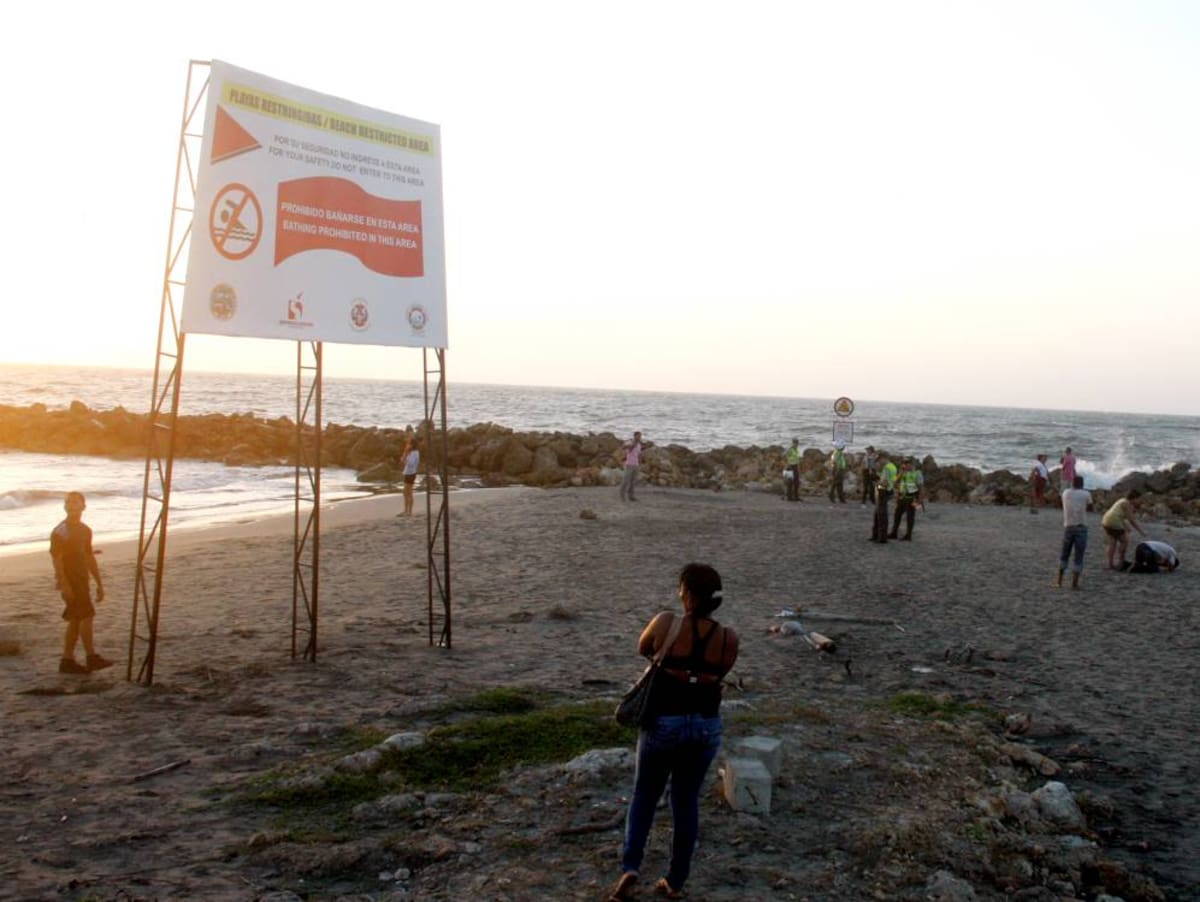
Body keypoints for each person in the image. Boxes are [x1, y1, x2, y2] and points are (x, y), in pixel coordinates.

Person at [608, 563, 740, 902]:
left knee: (644, 796)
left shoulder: (668, 622)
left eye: (682, 588)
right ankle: (676, 880)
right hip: (706, 726)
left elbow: (644, 648)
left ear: (690, 594)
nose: (679, 593)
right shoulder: (728, 638)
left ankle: (631, 868)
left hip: (664, 722)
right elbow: (720, 670)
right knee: (685, 802)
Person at [49, 492, 113, 674]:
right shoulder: (60, 531)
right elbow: (57, 561)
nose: (71, 505)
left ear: (83, 506)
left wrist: (99, 583)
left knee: (76, 620)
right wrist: (64, 585)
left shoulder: (85, 530)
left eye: (75, 502)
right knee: (87, 615)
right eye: (67, 502)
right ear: (64, 507)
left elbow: (89, 557)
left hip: (82, 579)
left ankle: (67, 660)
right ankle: (91, 657)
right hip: (70, 581)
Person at [1055, 475, 1092, 589]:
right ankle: (1074, 583)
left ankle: (1059, 581)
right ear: (1082, 484)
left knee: (1064, 554)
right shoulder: (1086, 494)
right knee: (1078, 556)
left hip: (1068, 526)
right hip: (1081, 527)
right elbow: (1090, 508)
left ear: (1072, 483)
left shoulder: (1065, 493)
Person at [1101, 490, 1144, 570]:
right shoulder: (1127, 504)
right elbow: (1131, 520)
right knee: (1124, 541)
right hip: (1114, 521)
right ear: (1134, 498)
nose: (1140, 501)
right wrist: (1140, 531)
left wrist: (1125, 526)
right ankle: (1120, 561)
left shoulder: (1122, 500)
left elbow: (1118, 514)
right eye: (1139, 499)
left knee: (1112, 542)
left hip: (1106, 520)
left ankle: (1110, 564)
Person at [888, 458, 922, 541]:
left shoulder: (917, 473)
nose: (906, 465)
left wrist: (919, 499)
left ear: (912, 464)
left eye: (908, 464)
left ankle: (908, 535)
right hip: (902, 497)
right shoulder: (903, 473)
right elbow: (896, 482)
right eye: (905, 464)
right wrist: (901, 473)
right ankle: (894, 533)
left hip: (912, 498)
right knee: (897, 515)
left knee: (910, 517)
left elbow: (920, 486)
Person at [871, 454, 898, 543]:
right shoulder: (893, 467)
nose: (879, 463)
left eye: (879, 460)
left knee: (881, 515)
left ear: (883, 458)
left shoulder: (886, 468)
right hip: (888, 491)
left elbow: (885, 483)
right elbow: (891, 480)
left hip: (883, 491)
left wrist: (877, 483)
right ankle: (878, 535)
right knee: (881, 514)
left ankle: (881, 537)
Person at [620, 431, 643, 502]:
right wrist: (633, 444)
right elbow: (623, 447)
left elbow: (639, 454)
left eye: (640, 436)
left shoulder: (639, 445)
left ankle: (631, 496)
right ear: (635, 436)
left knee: (633, 482)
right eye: (638, 436)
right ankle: (622, 495)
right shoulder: (629, 442)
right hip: (629, 464)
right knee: (625, 481)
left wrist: (640, 462)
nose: (639, 438)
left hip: (636, 465)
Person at [401, 437, 420, 516]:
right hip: (409, 473)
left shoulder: (414, 453)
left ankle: (409, 512)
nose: (407, 445)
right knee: (406, 493)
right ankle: (407, 511)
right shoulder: (412, 452)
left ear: (412, 445)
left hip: (410, 474)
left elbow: (411, 464)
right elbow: (403, 460)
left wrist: (404, 458)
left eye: (409, 443)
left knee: (407, 492)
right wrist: (405, 453)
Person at [784, 438, 801, 502]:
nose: (796, 444)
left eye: (797, 443)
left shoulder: (796, 450)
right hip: (790, 467)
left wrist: (798, 466)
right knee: (790, 483)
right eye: (795, 443)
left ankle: (796, 497)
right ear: (793, 443)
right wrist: (788, 464)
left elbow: (796, 458)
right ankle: (789, 497)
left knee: (797, 482)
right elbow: (786, 456)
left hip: (795, 466)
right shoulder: (790, 449)